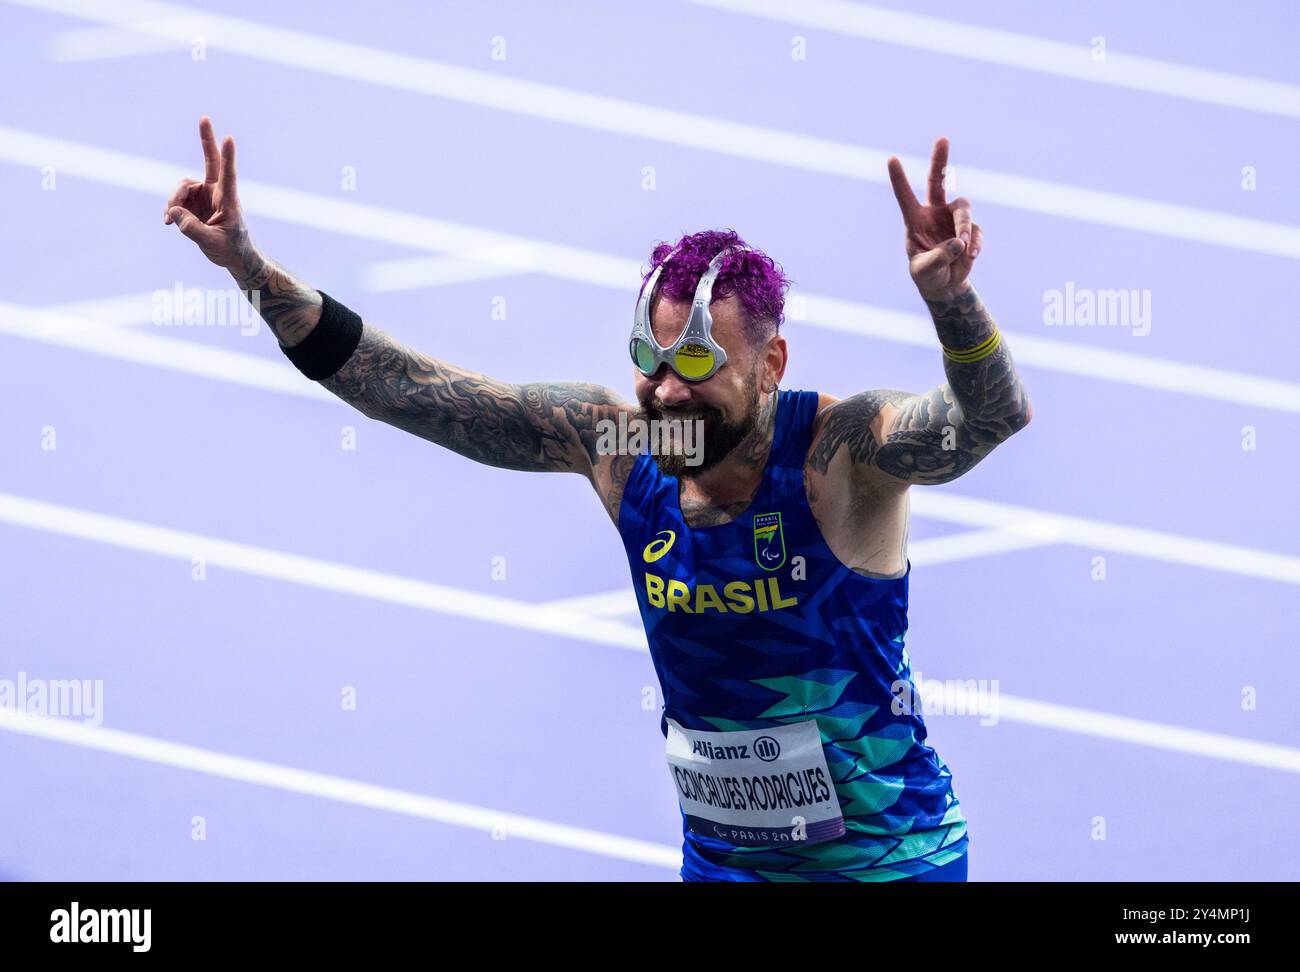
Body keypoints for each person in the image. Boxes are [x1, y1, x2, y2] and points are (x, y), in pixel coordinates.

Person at [164, 116, 1031, 882]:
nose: (665, 391)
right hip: (727, 864)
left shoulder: (843, 456)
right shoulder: (619, 450)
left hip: (886, 864)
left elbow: (993, 416)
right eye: (649, 361)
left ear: (771, 366)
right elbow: (406, 388)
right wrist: (246, 266)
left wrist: (952, 302)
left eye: (698, 364)